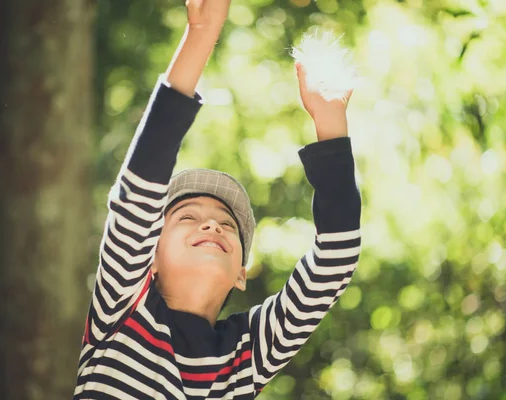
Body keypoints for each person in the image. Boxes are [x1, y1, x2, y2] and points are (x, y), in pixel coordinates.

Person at [73, 1, 361, 399]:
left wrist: (330, 126)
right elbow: (138, 192)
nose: (212, 225)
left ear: (241, 273)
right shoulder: (123, 308)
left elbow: (334, 261)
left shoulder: (247, 354)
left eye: (227, 226)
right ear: (148, 257)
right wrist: (201, 35)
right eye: (187, 217)